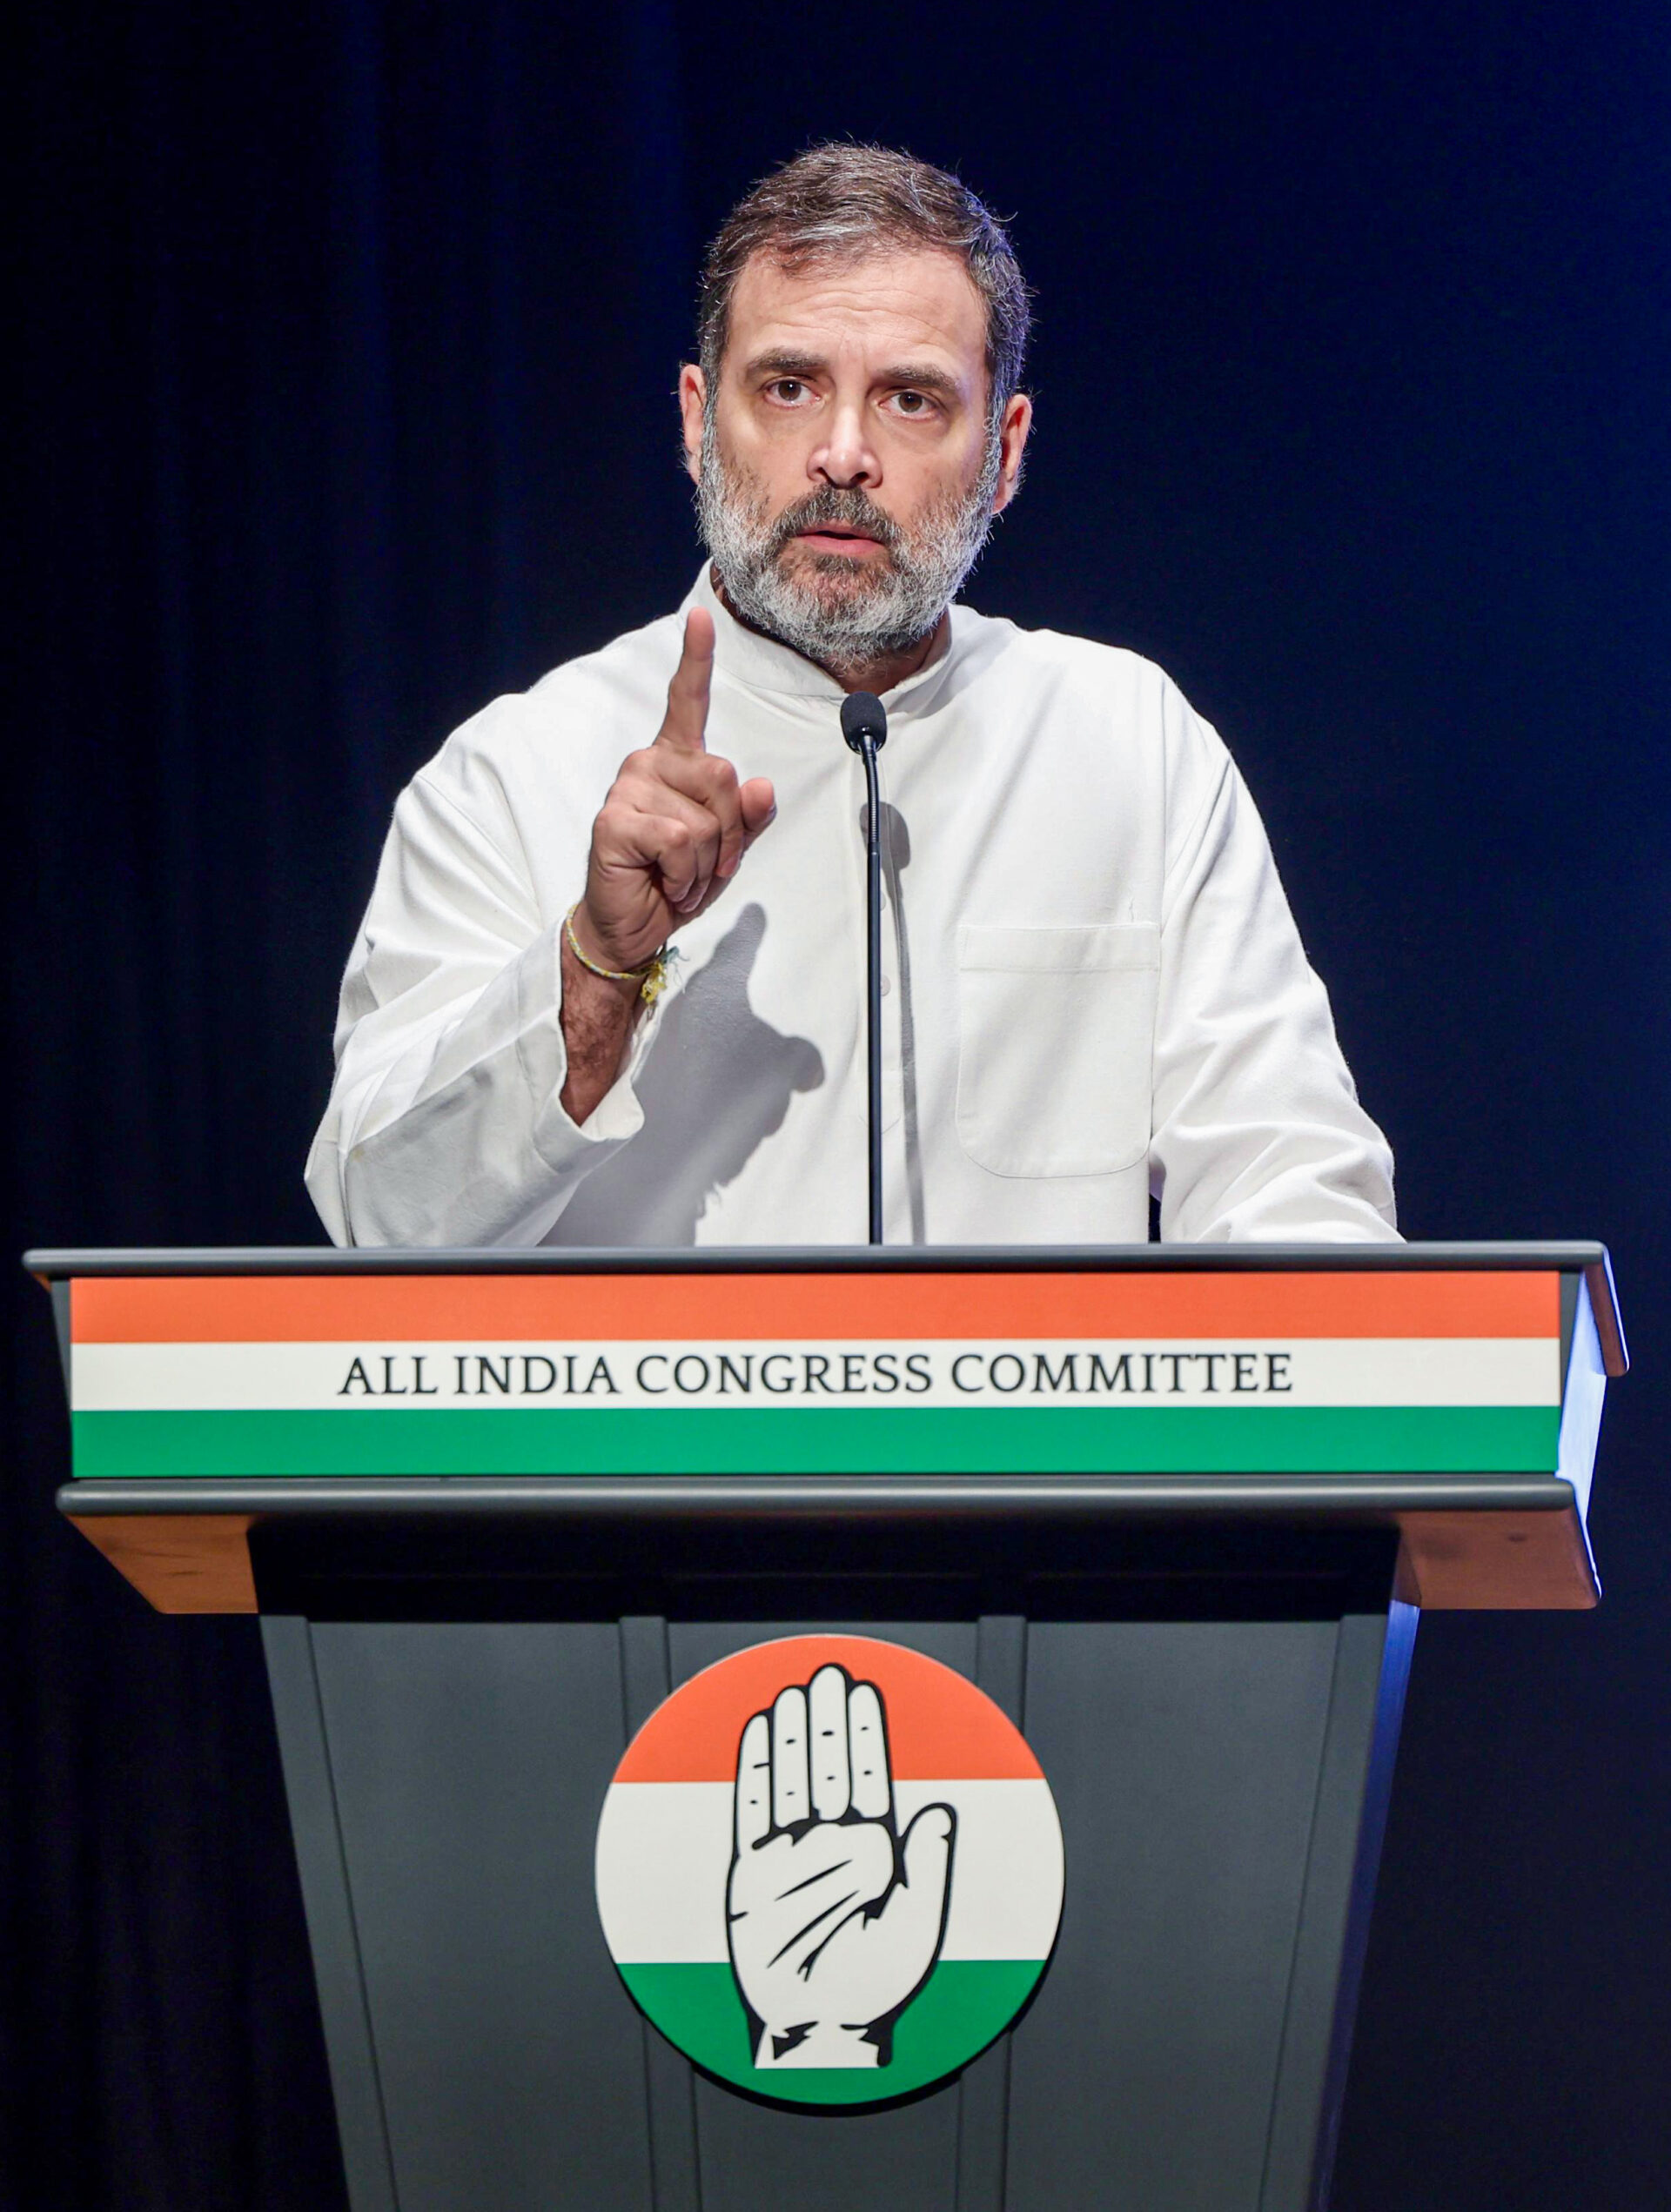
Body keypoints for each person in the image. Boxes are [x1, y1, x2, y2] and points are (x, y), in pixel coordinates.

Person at [305, 144, 1396, 1250]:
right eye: (789, 386)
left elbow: (1292, 1187)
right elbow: (379, 1223)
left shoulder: (1128, 743)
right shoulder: (512, 773)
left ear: (1005, 452)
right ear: (695, 419)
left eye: (911, 400)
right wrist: (596, 967)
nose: (841, 455)